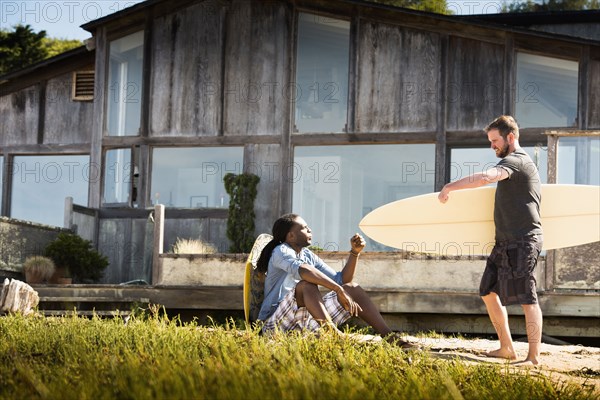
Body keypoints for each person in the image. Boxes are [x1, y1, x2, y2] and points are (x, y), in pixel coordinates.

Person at [438, 115, 543, 366]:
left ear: (511, 137)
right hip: (504, 241)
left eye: (495, 141)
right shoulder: (512, 162)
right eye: (490, 141)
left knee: (528, 298)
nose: (492, 146)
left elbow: (487, 177)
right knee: (487, 291)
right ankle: (507, 347)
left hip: (523, 240)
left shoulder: (516, 162)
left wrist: (450, 187)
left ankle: (534, 357)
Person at [256, 213, 418, 349]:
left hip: (304, 324)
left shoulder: (306, 254)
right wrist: (338, 291)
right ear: (290, 235)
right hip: (276, 326)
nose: (309, 229)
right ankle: (333, 335)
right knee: (306, 285)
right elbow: (304, 272)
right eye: (304, 228)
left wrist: (355, 253)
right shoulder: (280, 251)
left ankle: (390, 338)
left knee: (352, 288)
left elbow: (341, 280)